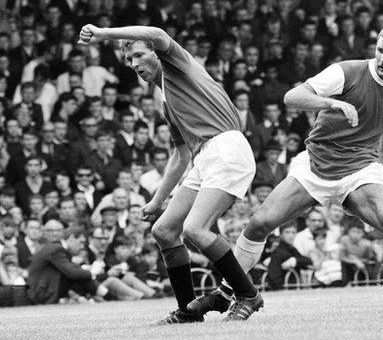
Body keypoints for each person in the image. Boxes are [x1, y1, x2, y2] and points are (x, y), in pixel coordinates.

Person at [192, 22, 383, 314]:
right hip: (316, 165)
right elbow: (292, 97)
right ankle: (225, 293)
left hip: (360, 171)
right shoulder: (346, 71)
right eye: (380, 50)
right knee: (260, 224)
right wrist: (332, 104)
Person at [79, 24, 262, 323]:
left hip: (227, 147)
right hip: (204, 157)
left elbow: (157, 32)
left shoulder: (179, 64)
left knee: (195, 229)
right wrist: (156, 200)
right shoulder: (166, 99)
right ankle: (188, 312)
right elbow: (180, 155)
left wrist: (103, 34)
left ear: (155, 53)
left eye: (139, 54)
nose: (135, 63)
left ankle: (248, 294)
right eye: (129, 60)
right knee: (163, 231)